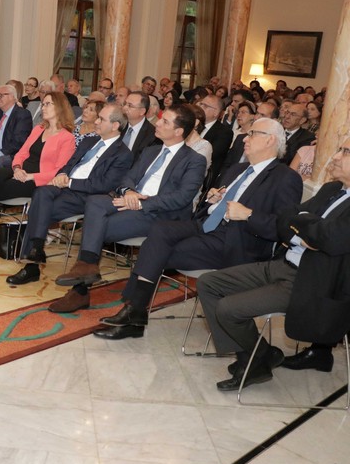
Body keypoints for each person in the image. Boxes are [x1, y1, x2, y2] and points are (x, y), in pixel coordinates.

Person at [93, 118, 302, 340]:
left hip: (238, 241)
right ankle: (134, 312)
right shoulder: (238, 170)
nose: (245, 139)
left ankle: (133, 313)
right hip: (206, 227)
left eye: (252, 134)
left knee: (155, 250)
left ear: (270, 140)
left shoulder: (285, 178)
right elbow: (204, 208)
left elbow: (283, 229)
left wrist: (248, 215)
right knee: (160, 231)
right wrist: (212, 201)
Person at [196, 139, 350, 390]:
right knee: (209, 283)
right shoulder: (331, 189)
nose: (334, 157)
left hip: (312, 281)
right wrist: (307, 230)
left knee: (228, 308)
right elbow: (285, 218)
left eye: (345, 152)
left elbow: (329, 239)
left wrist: (304, 226)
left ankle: (255, 359)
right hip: (283, 264)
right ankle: (257, 356)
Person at [48, 104, 207, 313]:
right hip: (129, 202)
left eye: (165, 122)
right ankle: (85, 270)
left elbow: (182, 198)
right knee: (95, 202)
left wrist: (142, 202)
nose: (157, 123)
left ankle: (80, 289)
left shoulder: (195, 160)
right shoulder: (150, 151)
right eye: (160, 119)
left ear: (178, 131)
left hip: (158, 214)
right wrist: (129, 192)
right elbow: (127, 178)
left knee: (95, 227)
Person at [5, 102, 133, 285]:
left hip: (86, 196)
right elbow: (69, 163)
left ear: (115, 126)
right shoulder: (89, 141)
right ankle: (36, 251)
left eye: (101, 119)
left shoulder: (123, 154)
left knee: (39, 207)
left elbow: (103, 185)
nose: (96, 121)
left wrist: (70, 181)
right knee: (41, 193)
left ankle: (31, 264)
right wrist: (63, 174)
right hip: (64, 187)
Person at [0, 91, 76, 255]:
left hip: (38, 180)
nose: (43, 107)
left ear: (60, 107)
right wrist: (17, 168)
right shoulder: (38, 129)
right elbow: (21, 154)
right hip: (20, 171)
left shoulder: (67, 138)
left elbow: (59, 170)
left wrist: (30, 176)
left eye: (48, 104)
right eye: (43, 104)